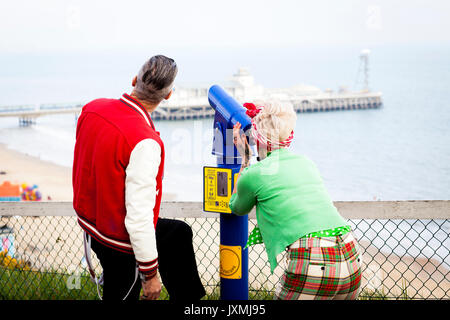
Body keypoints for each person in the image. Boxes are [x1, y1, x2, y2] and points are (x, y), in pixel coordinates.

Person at [72, 55, 205, 301]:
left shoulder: (92, 108)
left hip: (93, 225)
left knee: (178, 234)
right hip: (118, 241)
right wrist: (150, 274)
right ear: (168, 95)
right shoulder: (144, 141)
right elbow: (139, 217)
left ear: (134, 80)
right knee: (123, 289)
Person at [229, 101, 362, 300]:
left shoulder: (253, 174)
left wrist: (245, 160)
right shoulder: (306, 163)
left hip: (313, 257)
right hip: (351, 253)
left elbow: (237, 207)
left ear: (257, 139)